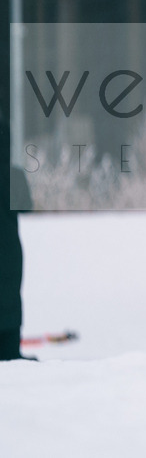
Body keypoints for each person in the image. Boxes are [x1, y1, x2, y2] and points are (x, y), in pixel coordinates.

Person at [1, 114, 34, 361]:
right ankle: (11, 353)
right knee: (10, 300)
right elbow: (27, 206)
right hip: (9, 251)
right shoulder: (13, 175)